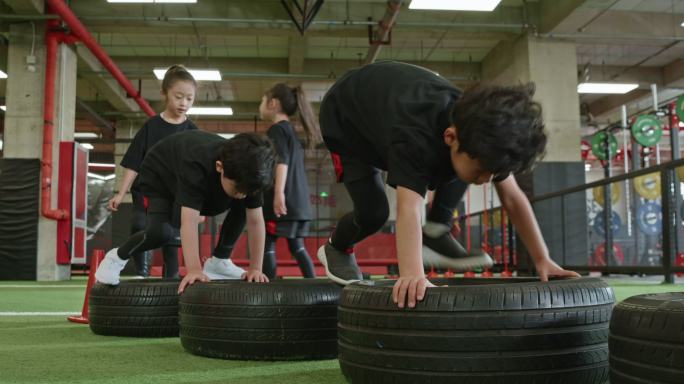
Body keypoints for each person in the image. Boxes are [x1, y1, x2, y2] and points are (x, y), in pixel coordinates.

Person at [316, 61, 580, 308]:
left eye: (492, 172)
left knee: (460, 170)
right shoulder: (415, 139)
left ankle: (435, 229)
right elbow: (408, 208)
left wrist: (543, 259)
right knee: (374, 212)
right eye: (482, 171)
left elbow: (513, 198)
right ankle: (337, 246)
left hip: (390, 111)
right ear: (451, 136)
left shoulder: (481, 132)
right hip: (346, 119)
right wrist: (412, 274)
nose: (486, 180)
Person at [95, 130, 276, 293]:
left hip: (207, 185)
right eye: (238, 188)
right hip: (161, 175)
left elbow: (256, 221)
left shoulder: (251, 172)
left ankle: (220, 260)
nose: (242, 194)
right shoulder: (196, 164)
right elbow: (189, 222)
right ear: (220, 167)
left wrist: (255, 269)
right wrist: (195, 270)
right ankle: (117, 257)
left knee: (243, 204)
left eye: (247, 190)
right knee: (161, 233)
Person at [108, 65, 198, 278]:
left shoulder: (192, 132)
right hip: (148, 193)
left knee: (172, 240)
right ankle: (142, 272)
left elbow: (197, 173)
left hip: (176, 197)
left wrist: (199, 208)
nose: (183, 103)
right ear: (164, 94)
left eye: (189, 99)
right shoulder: (152, 127)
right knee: (141, 225)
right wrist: (121, 193)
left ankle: (172, 282)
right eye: (178, 97)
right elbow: (133, 162)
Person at [258, 83, 319, 279]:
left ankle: (269, 291)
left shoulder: (276, 130)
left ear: (273, 103)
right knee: (298, 248)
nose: (260, 104)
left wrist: (278, 194)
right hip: (298, 203)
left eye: (262, 100)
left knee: (267, 245)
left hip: (283, 201)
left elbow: (281, 162)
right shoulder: (290, 131)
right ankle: (314, 285)